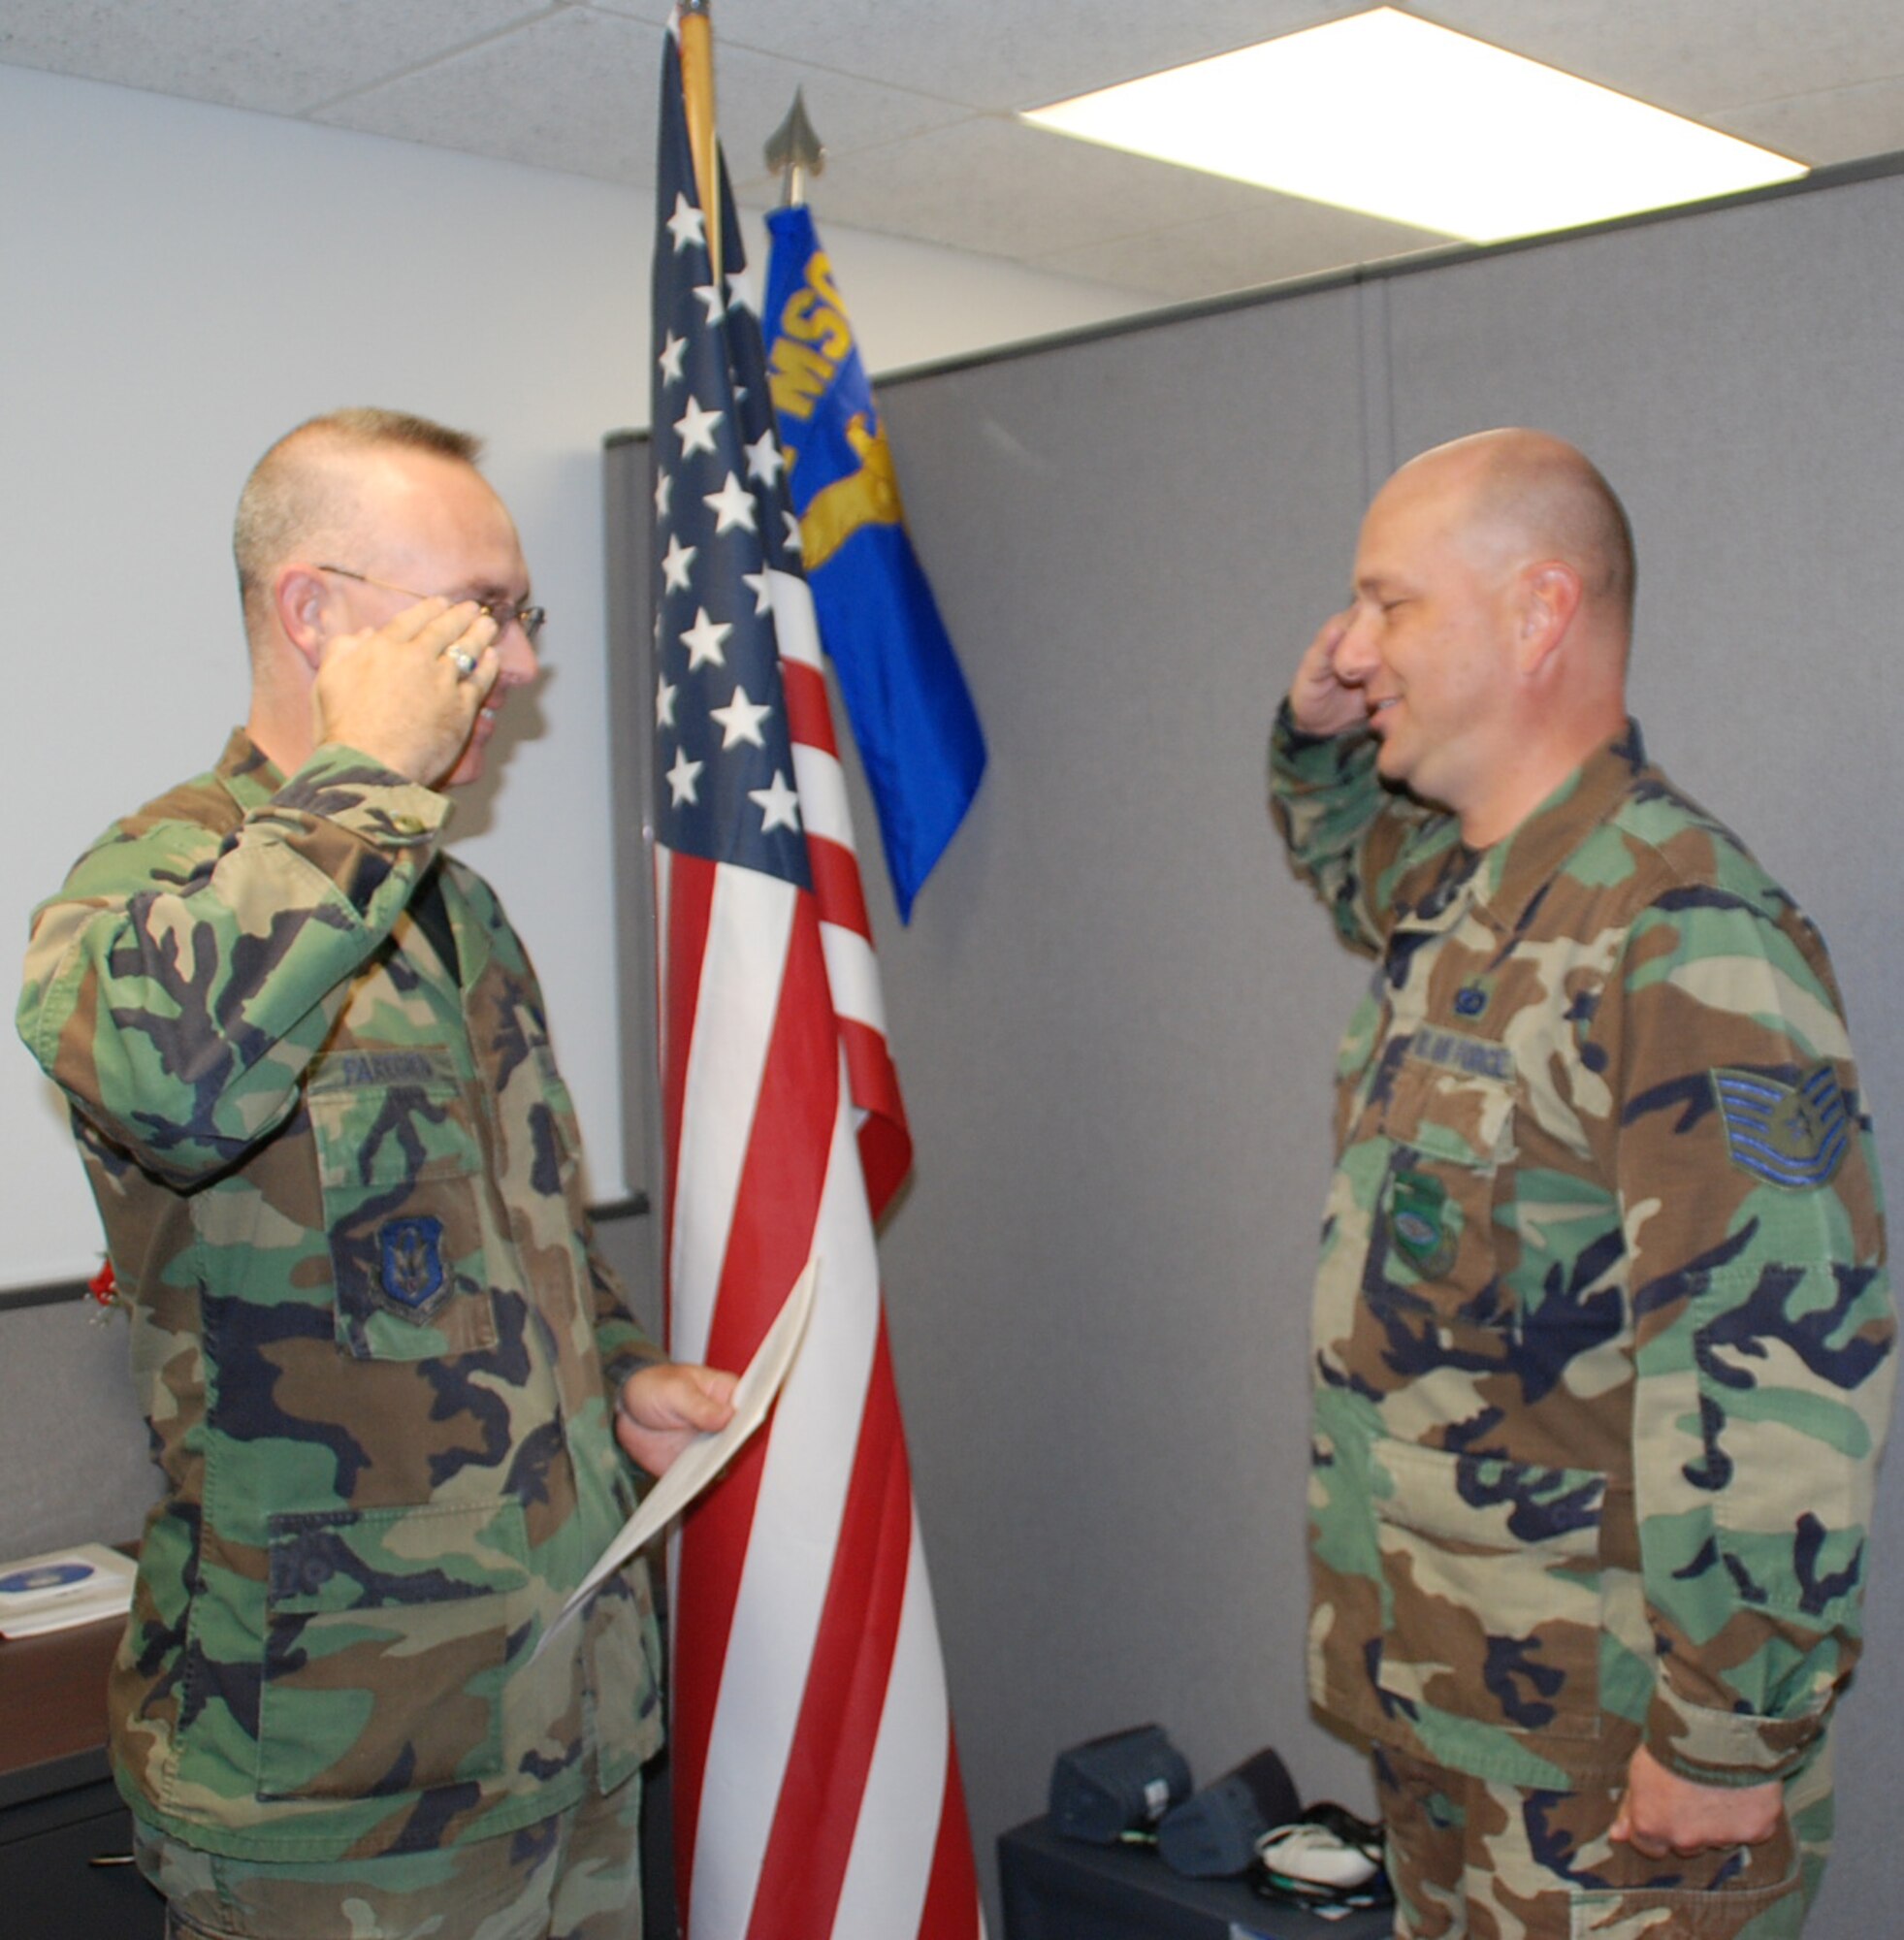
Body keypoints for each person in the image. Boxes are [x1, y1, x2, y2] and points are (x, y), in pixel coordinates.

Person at [16, 407, 736, 1939]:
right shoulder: (156, 883)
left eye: (523, 618)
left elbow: (516, 1241)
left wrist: (621, 1376)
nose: (519, 663)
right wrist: (364, 782)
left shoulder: (455, 916)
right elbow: (167, 1087)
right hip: (334, 1799)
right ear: (315, 613)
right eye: (480, 615)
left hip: (563, 1735)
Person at [1269, 428, 1895, 1938]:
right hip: (1453, 1723)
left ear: (1540, 611)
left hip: (1609, 1784)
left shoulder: (1681, 930)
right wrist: (1315, 733)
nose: (1352, 645)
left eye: (1390, 603)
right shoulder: (1472, 888)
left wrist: (1728, 1737)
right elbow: (1346, 852)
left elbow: (1775, 1357)